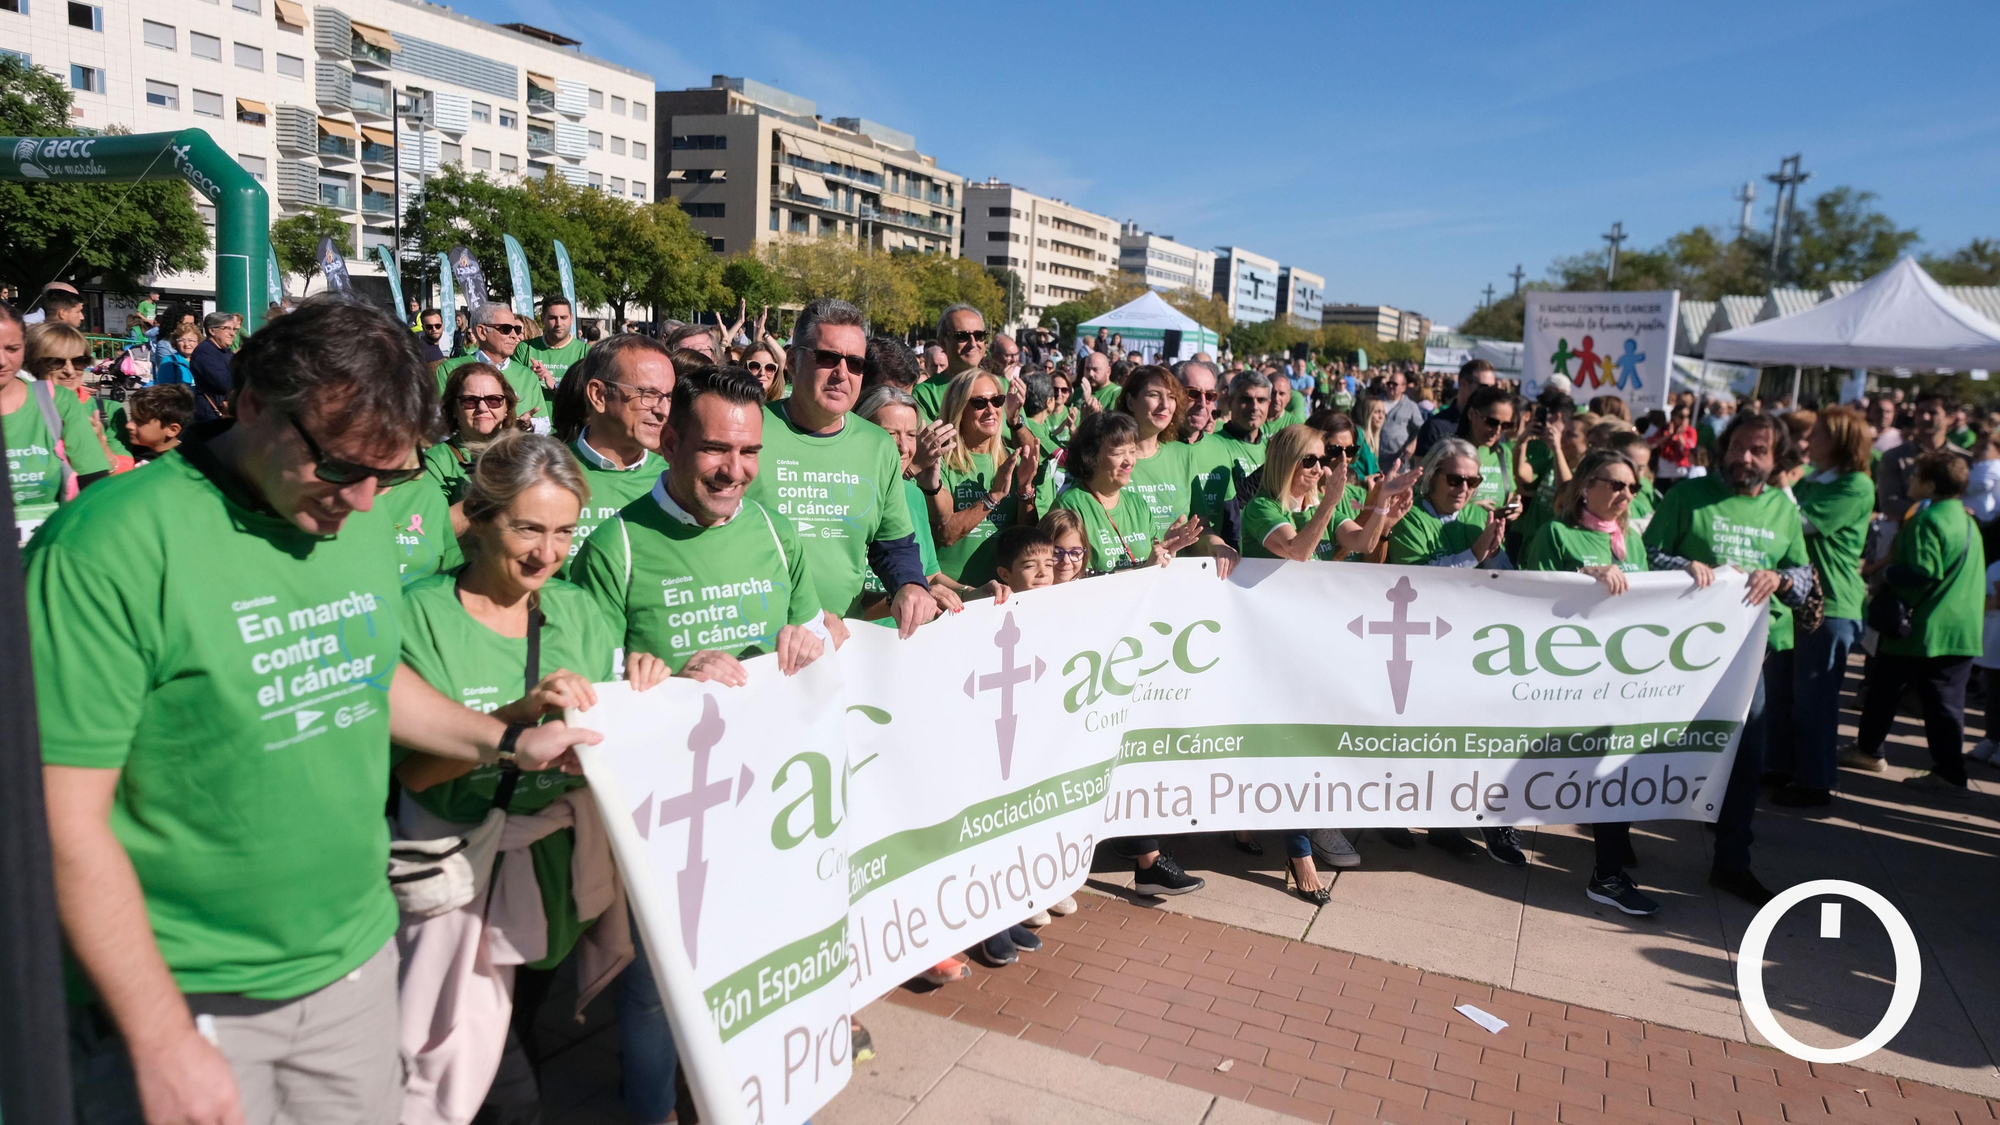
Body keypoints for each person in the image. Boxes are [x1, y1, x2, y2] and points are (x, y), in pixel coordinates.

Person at [31, 293, 599, 1124]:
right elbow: (58, 820)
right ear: (253, 402)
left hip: (356, 961)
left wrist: (506, 739)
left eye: (391, 473)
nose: (365, 501)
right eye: (341, 466)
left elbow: (365, 673)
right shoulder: (103, 547)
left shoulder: (350, 517)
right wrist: (158, 1037)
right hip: (189, 990)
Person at [391, 431, 671, 1123]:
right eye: (527, 528)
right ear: (480, 517)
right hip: (456, 881)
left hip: (554, 882)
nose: (547, 552)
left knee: (519, 1031)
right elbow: (417, 776)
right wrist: (514, 726)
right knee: (493, 1086)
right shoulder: (418, 614)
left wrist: (651, 684)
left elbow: (608, 731)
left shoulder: (578, 609)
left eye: (564, 531)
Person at [1643, 411, 1813, 906]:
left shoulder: (1783, 509)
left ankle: (1732, 862)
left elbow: (1802, 576)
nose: (1745, 458)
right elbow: (1646, 554)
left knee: (1745, 759)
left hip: (1749, 658)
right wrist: (1692, 568)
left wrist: (1778, 580)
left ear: (1775, 458)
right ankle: (1613, 838)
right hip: (1675, 653)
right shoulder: (1686, 497)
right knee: (1645, 741)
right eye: (1738, 446)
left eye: (1758, 450)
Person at [572, 364, 829, 682]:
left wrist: (815, 646)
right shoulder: (612, 548)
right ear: (669, 444)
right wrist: (678, 687)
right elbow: (595, 691)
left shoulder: (778, 531)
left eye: (749, 452)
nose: (734, 471)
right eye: (715, 449)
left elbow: (817, 641)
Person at [1521, 449, 1682, 916]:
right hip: (1565, 676)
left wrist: (1686, 576)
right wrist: (1581, 576)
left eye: (1631, 487)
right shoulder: (1557, 533)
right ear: (1586, 486)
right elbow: (1526, 594)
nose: (1624, 494)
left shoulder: (1630, 540)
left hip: (1618, 678)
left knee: (1618, 765)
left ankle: (1608, 871)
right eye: (1614, 484)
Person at [744, 299, 940, 637]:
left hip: (843, 640)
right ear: (792, 361)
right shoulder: (749, 428)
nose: (841, 373)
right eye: (827, 358)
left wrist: (909, 584)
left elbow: (892, 543)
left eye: (855, 363)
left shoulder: (878, 445)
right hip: (757, 641)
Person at [1847, 450, 1985, 796]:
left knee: (1883, 691)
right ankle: (1950, 771)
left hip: (1921, 630)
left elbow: (1923, 572)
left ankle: (1868, 752)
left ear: (1931, 483)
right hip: (1961, 629)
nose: (1910, 480)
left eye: (1917, 475)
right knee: (1946, 706)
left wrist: (1887, 572)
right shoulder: (1967, 520)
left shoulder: (1927, 520)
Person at [1769, 407, 1874, 807]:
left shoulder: (1856, 485)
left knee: (1813, 699)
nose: (1808, 440)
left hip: (1831, 604)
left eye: (1820, 433)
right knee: (1781, 692)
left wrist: (1781, 487)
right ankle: (1779, 767)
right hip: (1795, 599)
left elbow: (1800, 523)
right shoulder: (1816, 479)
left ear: (1842, 441)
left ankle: (1814, 781)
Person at [549, 335, 676, 570]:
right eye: (648, 394)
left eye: (668, 396)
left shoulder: (675, 480)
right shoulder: (543, 474)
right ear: (598, 395)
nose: (663, 410)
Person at [3, 307, 109, 541]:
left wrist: (104, 447)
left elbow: (97, 486)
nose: (70, 371)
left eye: (11, 349)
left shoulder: (63, 402)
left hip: (48, 547)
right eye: (55, 361)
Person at [1239, 422, 1412, 563]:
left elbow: (1364, 543)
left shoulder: (1318, 504)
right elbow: (1298, 552)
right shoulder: (1261, 507)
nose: (1318, 469)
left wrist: (1382, 501)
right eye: (1309, 460)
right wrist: (1329, 502)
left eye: (1322, 460)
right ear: (1285, 463)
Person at [931, 368, 1037, 587]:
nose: (991, 410)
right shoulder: (939, 462)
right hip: (951, 594)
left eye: (997, 401)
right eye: (979, 403)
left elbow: (1023, 537)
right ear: (958, 408)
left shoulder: (1010, 460)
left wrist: (1025, 491)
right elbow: (946, 535)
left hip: (1002, 595)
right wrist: (993, 497)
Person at [1388, 438, 1515, 570]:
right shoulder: (1407, 518)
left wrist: (1493, 554)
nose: (1464, 489)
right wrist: (1474, 555)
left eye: (1472, 481)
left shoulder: (1481, 517)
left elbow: (1505, 578)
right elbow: (1415, 577)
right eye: (1454, 480)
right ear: (1432, 476)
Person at [426, 363, 519, 527]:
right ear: (454, 408)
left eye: (493, 400)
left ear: (507, 407)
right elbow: (432, 528)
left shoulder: (524, 454)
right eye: (469, 401)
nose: (482, 408)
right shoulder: (435, 462)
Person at [437, 303, 549, 423]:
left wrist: (526, 426)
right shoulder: (450, 370)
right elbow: (438, 421)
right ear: (482, 332)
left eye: (517, 329)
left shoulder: (527, 375)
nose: (514, 336)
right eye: (506, 329)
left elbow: (543, 423)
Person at [1876, 393, 1969, 533]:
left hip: (1954, 534)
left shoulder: (1963, 459)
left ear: (1950, 418)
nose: (1925, 417)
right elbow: (1889, 504)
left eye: (1933, 413)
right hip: (1907, 534)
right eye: (1920, 412)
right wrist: (1937, 514)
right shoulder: (1895, 457)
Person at [912, 303, 986, 422]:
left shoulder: (1003, 387)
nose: (973, 343)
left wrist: (1016, 424)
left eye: (979, 335)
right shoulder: (925, 395)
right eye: (962, 336)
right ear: (943, 342)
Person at [1413, 359, 1496, 458]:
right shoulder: (1436, 427)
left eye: (1493, 387)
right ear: (1463, 384)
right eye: (1484, 387)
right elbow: (1422, 470)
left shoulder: (1495, 426)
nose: (1490, 393)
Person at [523, 296, 589, 383]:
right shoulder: (525, 348)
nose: (558, 323)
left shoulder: (586, 352)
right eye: (553, 318)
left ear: (571, 318)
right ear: (543, 319)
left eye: (563, 317)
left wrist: (555, 386)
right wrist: (529, 377)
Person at [189, 311, 240, 424]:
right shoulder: (205, 352)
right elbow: (226, 383)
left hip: (225, 411)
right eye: (227, 328)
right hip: (212, 414)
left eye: (234, 329)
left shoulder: (225, 351)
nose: (233, 334)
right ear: (212, 330)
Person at [122, 384, 193, 462]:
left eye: (139, 421)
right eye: (131, 417)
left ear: (172, 430)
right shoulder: (127, 450)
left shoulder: (179, 464)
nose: (128, 425)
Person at [1376, 369, 1425, 473]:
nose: (1391, 386)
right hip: (1376, 457)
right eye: (1389, 383)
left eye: (1395, 384)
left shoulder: (1411, 406)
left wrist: (1413, 445)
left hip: (1397, 460)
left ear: (1403, 387)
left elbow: (1422, 429)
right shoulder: (1377, 402)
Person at [1040, 508, 1089, 585]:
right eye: (1056, 552)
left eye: (1075, 553)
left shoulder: (1088, 586)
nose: (1066, 561)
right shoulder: (1027, 591)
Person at [1176, 359, 1222, 441]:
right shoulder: (1152, 448)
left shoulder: (1221, 449)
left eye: (1209, 395)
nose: (1202, 404)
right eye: (1194, 393)